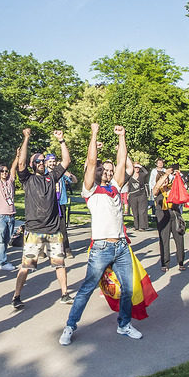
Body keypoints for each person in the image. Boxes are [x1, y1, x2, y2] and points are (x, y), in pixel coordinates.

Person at [60, 124, 143, 344]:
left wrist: (122, 136)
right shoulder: (90, 190)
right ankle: (70, 326)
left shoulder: (116, 187)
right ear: (97, 172)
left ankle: (124, 325)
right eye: (104, 170)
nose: (108, 172)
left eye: (109, 170)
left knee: (128, 289)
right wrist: (94, 134)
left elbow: (121, 161)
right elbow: (90, 162)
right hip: (101, 247)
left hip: (121, 247)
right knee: (87, 289)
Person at [11, 128, 74, 309]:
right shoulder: (27, 179)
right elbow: (21, 162)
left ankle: (64, 294)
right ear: (32, 164)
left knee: (60, 264)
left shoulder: (52, 177)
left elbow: (66, 161)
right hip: (33, 231)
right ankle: (16, 296)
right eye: (37, 161)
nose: (41, 162)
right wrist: (26, 138)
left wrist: (62, 140)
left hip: (53, 230)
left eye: (43, 160)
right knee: (26, 266)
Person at [152, 166, 186, 272]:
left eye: (166, 179)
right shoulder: (157, 190)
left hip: (174, 214)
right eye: (163, 179)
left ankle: (181, 261)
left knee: (179, 239)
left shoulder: (172, 187)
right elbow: (155, 189)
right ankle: (165, 263)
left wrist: (178, 175)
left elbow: (182, 188)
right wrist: (165, 174)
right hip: (162, 216)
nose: (165, 181)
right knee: (164, 240)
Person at [0, 146, 17, 271]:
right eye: (2, 171)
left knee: (6, 239)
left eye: (6, 171)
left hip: (11, 215)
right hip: (0, 216)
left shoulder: (10, 181)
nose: (5, 173)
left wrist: (17, 155)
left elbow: (14, 168)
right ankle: (2, 262)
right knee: (0, 240)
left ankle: (0, 259)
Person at [127, 162, 150, 231]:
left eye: (138, 167)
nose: (137, 169)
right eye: (135, 167)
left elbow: (146, 173)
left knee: (142, 211)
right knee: (135, 211)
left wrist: (141, 166)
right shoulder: (130, 176)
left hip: (141, 194)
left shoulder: (142, 175)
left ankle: (142, 226)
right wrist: (128, 194)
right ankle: (136, 226)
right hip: (133, 195)